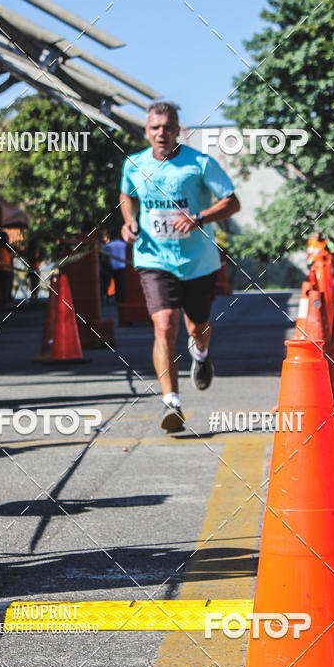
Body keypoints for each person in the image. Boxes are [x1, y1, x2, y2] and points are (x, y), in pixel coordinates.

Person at [120, 101, 240, 433]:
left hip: (198, 262)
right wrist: (128, 222)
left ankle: (201, 356)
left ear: (178, 131)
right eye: (155, 128)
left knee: (196, 328)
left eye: (168, 127)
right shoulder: (134, 164)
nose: (162, 133)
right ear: (147, 131)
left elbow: (232, 201)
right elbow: (126, 196)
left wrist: (199, 217)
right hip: (153, 258)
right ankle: (171, 402)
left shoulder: (200, 163)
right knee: (164, 325)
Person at [102, 231, 127, 303]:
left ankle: (107, 298)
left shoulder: (108, 245)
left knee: (109, 282)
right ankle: (120, 298)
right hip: (122, 266)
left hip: (112, 266)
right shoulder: (123, 244)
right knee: (121, 283)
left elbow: (104, 254)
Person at [0, 231, 14, 308]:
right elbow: (13, 254)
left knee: (3, 286)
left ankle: (4, 300)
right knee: (7, 286)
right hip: (7, 270)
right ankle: (6, 301)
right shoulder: (7, 246)